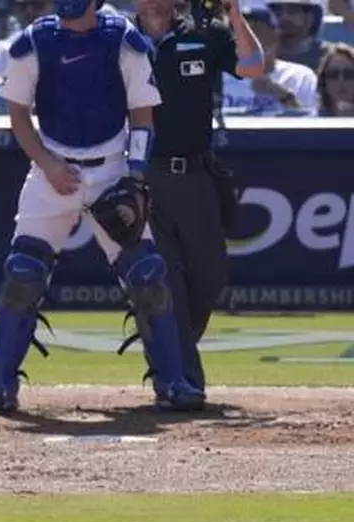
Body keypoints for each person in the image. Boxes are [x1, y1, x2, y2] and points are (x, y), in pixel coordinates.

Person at [0, 0, 207, 414]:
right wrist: (46, 163)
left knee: (148, 276)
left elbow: (143, 116)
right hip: (51, 170)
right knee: (22, 273)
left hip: (112, 169)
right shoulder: (32, 42)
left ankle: (172, 382)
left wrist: (133, 177)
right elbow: (19, 115)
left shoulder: (123, 40)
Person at [132, 0, 264, 398]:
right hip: (143, 173)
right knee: (163, 277)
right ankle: (178, 380)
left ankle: (168, 353)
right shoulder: (119, 38)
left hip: (195, 172)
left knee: (209, 276)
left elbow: (253, 65)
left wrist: (237, 20)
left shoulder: (204, 33)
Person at [221, 5, 317, 115]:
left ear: (275, 34)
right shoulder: (217, 79)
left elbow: (310, 122)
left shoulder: (301, 77)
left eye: (255, 30)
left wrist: (282, 95)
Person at [317, 42, 354, 115]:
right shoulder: (310, 121)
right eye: (333, 75)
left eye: (348, 74)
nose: (341, 81)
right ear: (323, 81)